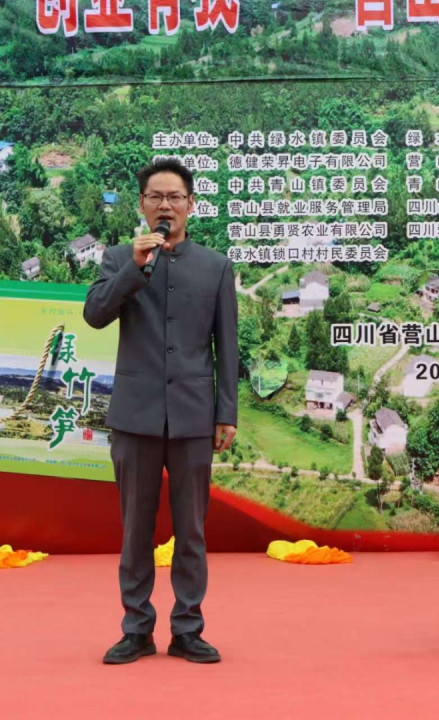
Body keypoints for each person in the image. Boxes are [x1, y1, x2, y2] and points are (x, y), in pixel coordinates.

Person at [84, 159, 238, 664]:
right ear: (142, 204)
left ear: (190, 205)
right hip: (136, 416)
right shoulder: (118, 258)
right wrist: (134, 267)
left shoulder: (215, 266)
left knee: (191, 530)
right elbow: (95, 314)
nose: (165, 205)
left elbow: (226, 346)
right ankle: (136, 629)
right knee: (136, 529)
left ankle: (188, 628)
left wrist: (226, 413)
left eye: (174, 197)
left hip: (193, 417)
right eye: (155, 197)